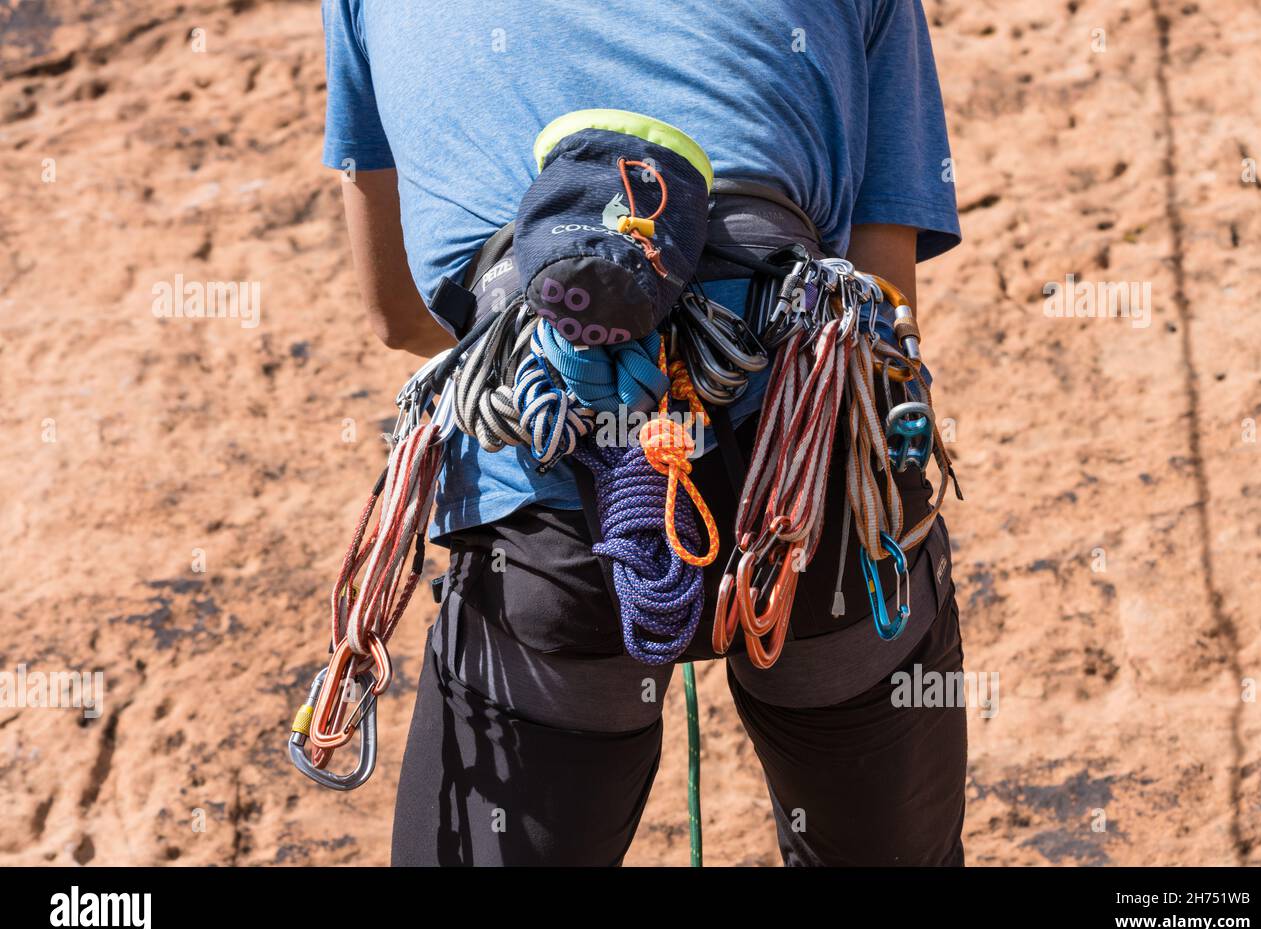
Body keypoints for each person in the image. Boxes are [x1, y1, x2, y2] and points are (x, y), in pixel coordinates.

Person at [321, 0, 965, 866]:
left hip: (549, 510)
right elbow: (883, 305)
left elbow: (398, 314)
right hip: (812, 487)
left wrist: (592, 344)